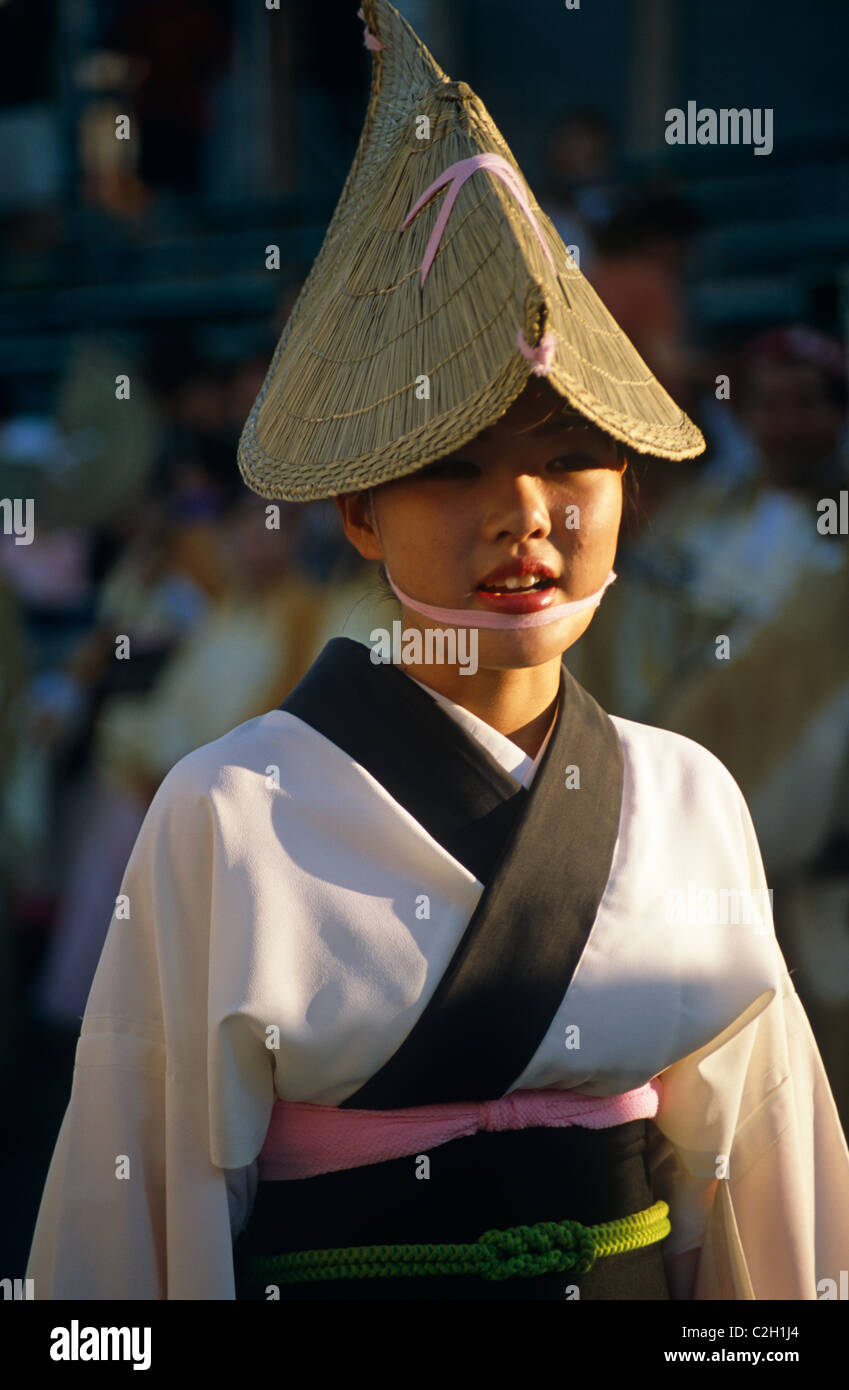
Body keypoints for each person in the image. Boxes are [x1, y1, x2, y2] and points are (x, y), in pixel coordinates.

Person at [27, 0, 849, 1301]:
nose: (524, 512)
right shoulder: (227, 812)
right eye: (456, 466)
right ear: (358, 507)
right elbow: (130, 1230)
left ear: (627, 488)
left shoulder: (688, 797)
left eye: (573, 458)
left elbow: (771, 1219)